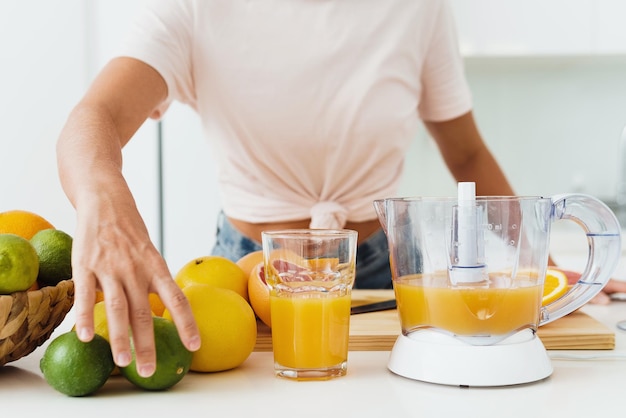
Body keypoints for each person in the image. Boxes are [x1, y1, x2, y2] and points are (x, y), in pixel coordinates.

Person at [56, 0, 626, 378]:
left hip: (379, 275)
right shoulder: (193, 6)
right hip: (244, 276)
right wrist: (103, 200)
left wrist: (542, 268)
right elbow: (96, 117)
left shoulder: (416, 8)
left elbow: (468, 153)